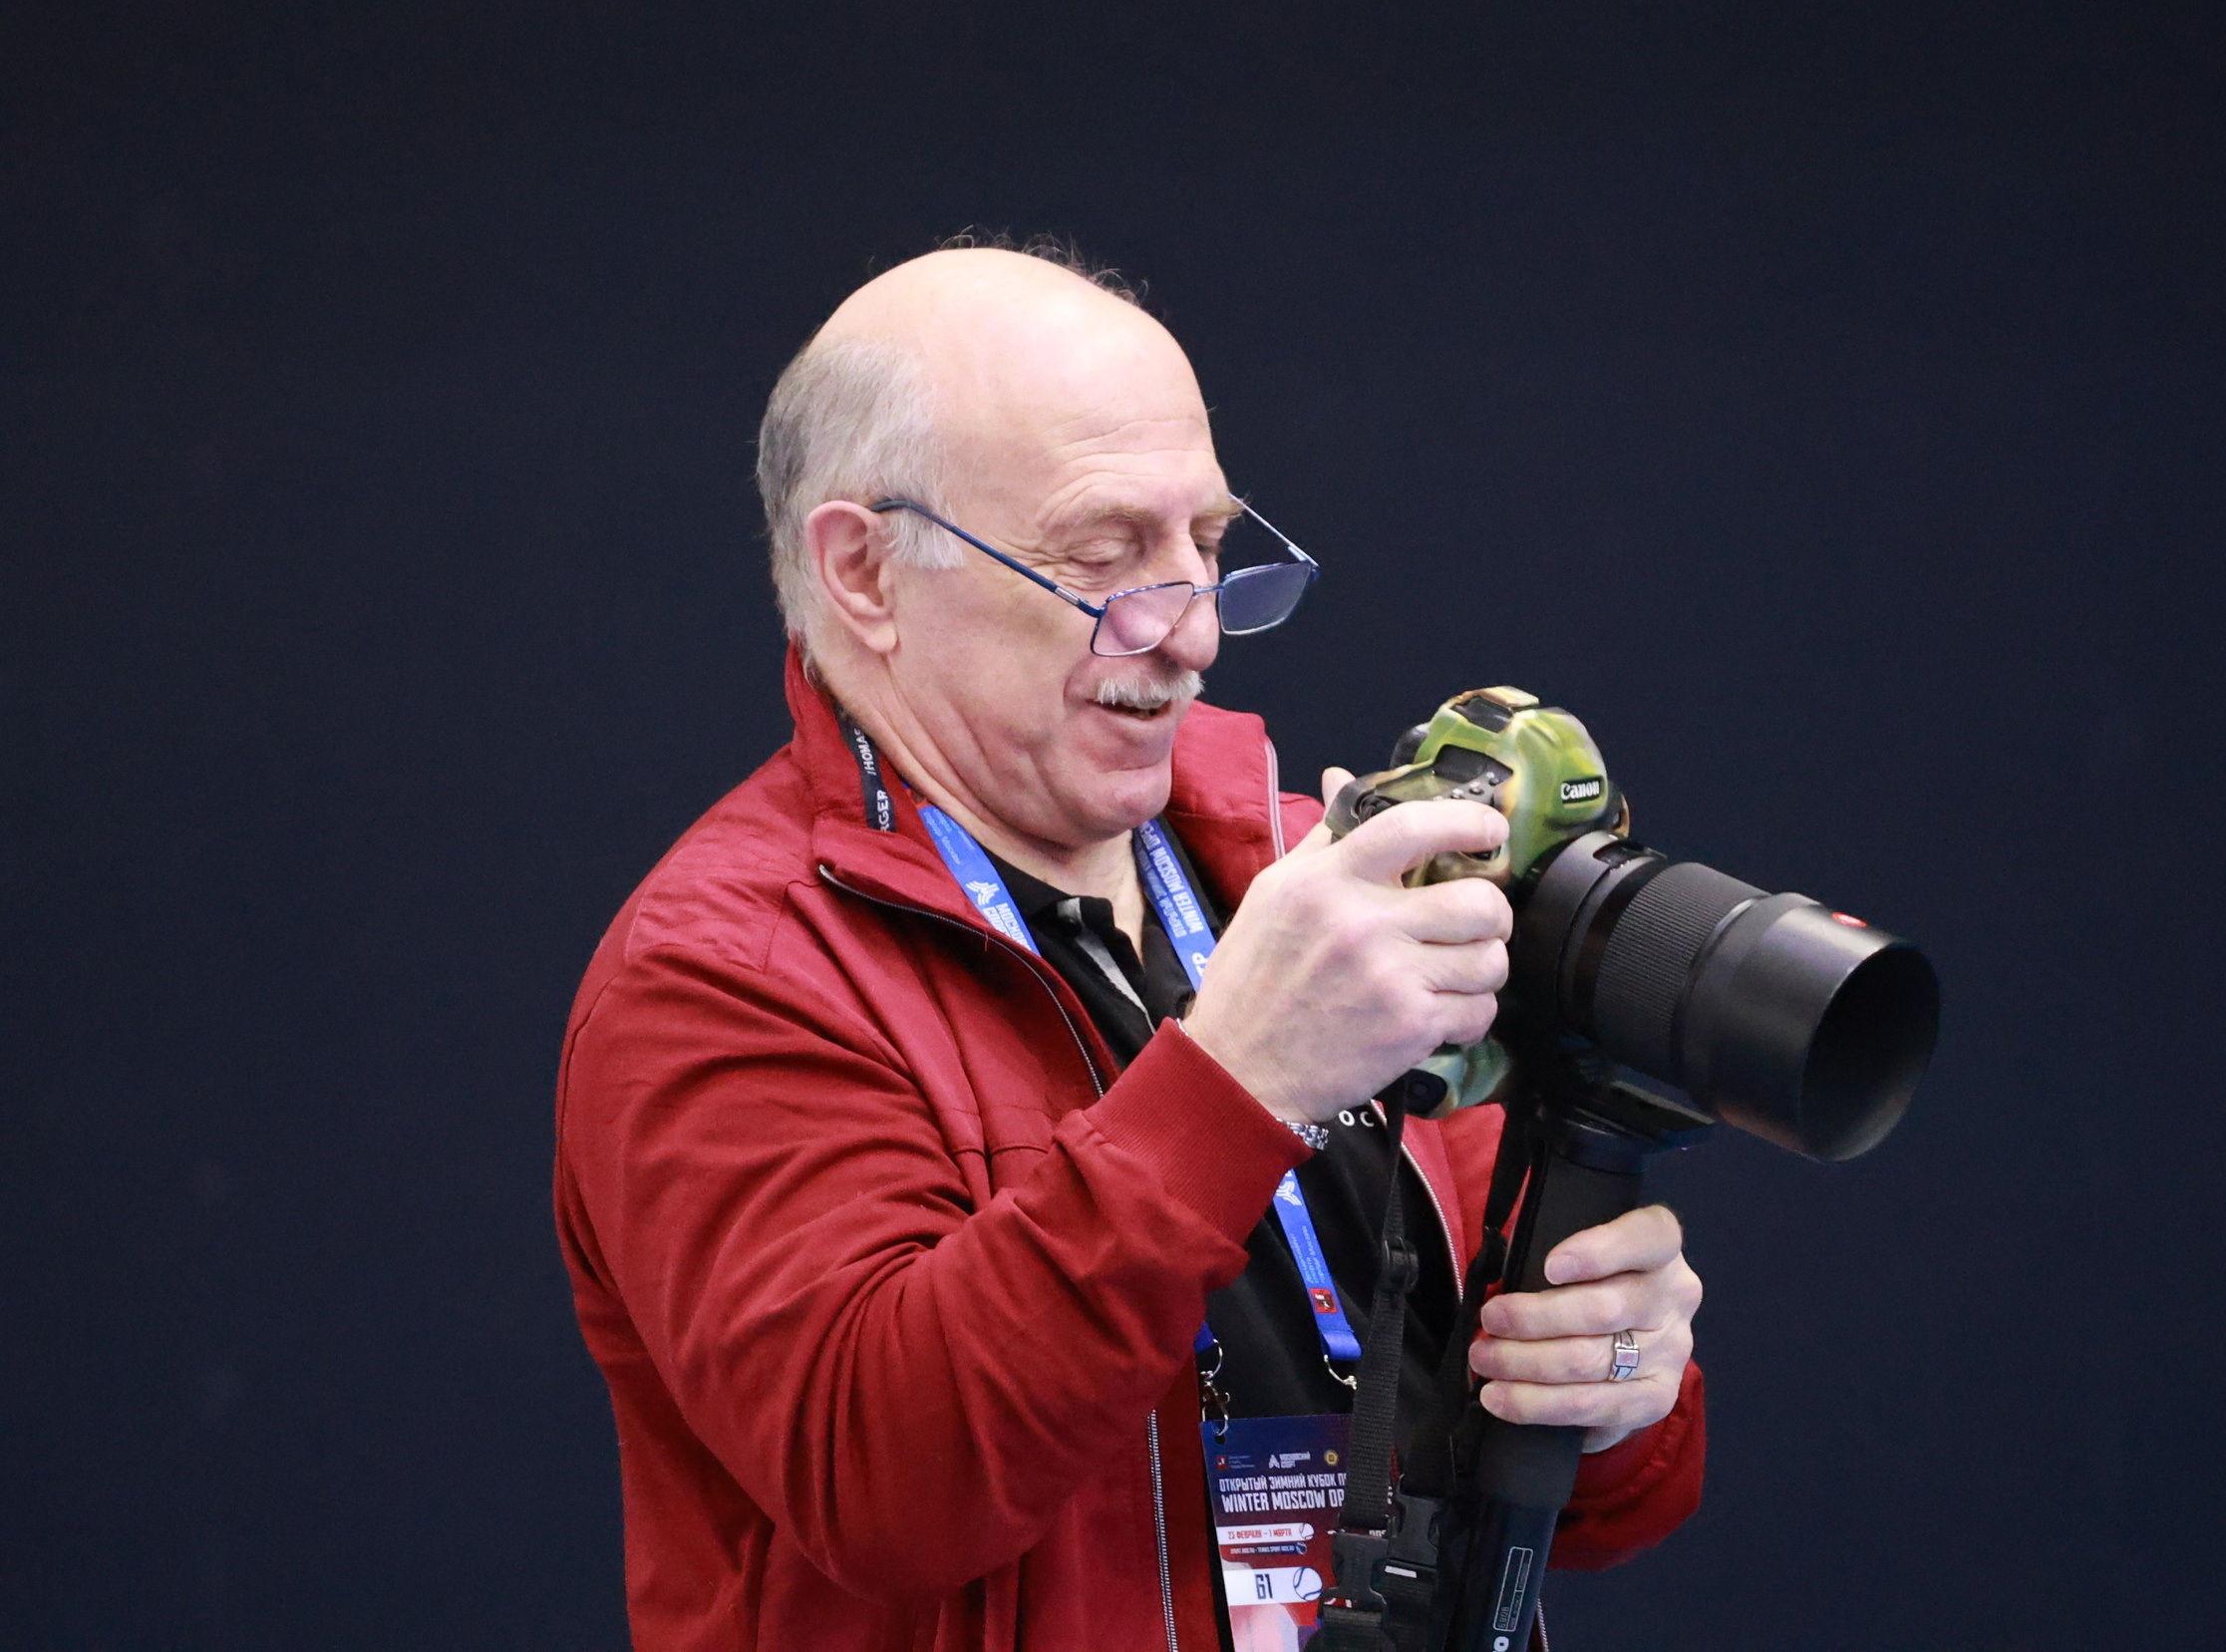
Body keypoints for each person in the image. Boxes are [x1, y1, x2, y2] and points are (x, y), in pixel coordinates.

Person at [552, 243, 1708, 1652]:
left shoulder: (1316, 879)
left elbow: (1590, 1508)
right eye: (1105, 561)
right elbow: (895, 1485)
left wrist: (1615, 1384)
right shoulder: (721, 967)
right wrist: (1235, 1080)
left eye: (1211, 548)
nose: (1198, 635)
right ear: (862, 571)